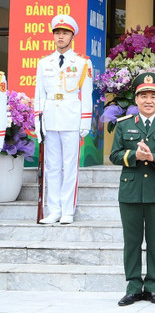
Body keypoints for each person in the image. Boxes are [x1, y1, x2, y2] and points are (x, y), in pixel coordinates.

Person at [110, 73, 155, 306]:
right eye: (143, 96)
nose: (148, 100)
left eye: (153, 96)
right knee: (132, 241)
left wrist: (154, 157)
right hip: (130, 192)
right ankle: (133, 286)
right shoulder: (124, 125)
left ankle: (153, 286)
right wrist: (133, 156)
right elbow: (115, 154)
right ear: (136, 100)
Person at [35, 14, 93, 225]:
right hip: (50, 117)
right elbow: (39, 94)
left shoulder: (82, 63)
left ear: (72, 36)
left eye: (65, 33)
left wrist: (85, 122)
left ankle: (68, 210)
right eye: (57, 33)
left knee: (69, 166)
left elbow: (86, 95)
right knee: (51, 166)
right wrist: (37, 121)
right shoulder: (44, 63)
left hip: (71, 117)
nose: (60, 37)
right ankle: (54, 210)